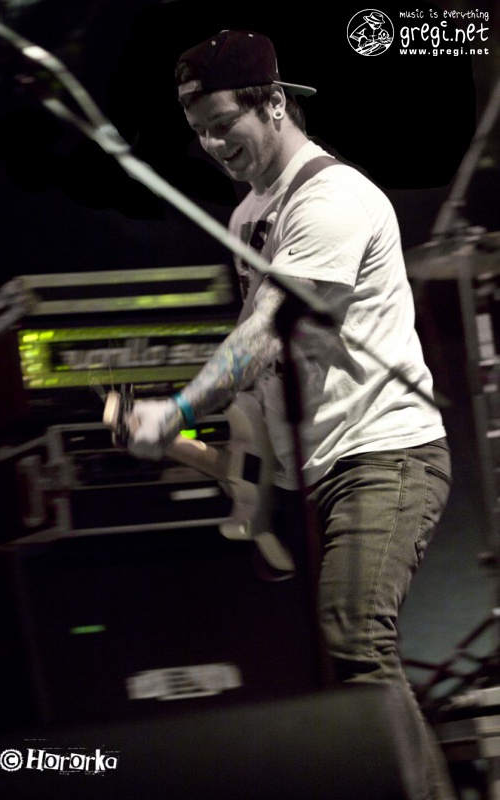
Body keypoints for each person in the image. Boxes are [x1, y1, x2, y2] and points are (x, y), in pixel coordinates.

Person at [122, 30, 455, 799]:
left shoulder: (331, 200)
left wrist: (177, 410)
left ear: (273, 103)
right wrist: (229, 465)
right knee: (327, 673)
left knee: (355, 640)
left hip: (385, 455)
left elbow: (267, 333)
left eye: (223, 126)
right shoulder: (249, 215)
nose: (212, 146)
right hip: (318, 472)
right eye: (198, 131)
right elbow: (263, 380)